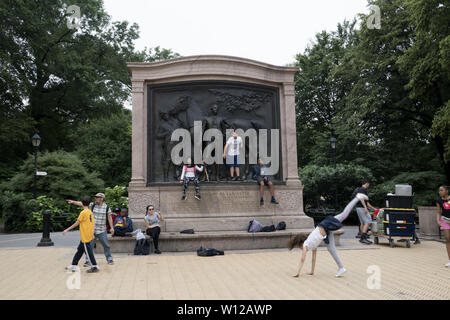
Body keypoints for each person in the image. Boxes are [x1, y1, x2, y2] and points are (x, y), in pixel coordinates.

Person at [288, 193, 369, 278]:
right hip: (327, 230)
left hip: (326, 225)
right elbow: (313, 259)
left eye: (299, 247)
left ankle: (357, 198)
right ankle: (341, 267)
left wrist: (297, 273)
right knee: (330, 248)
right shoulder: (312, 245)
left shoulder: (306, 245)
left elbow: (302, 260)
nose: (301, 249)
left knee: (344, 215)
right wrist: (312, 271)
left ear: (301, 243)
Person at [67, 192, 115, 266]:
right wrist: (73, 202)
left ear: (102, 199)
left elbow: (109, 217)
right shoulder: (92, 205)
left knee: (106, 245)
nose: (95, 198)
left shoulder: (107, 207)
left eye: (97, 197)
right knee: (89, 247)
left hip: (102, 230)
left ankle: (109, 258)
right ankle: (88, 260)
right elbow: (82, 203)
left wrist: (112, 228)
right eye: (95, 197)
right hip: (91, 231)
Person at [63, 197, 100, 273]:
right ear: (89, 204)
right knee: (79, 250)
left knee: (89, 252)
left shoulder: (83, 213)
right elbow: (93, 223)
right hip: (88, 235)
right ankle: (74, 265)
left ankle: (94, 266)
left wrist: (67, 229)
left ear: (82, 203)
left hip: (85, 236)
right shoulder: (89, 211)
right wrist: (73, 201)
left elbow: (77, 223)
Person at [352, 180, 377, 244]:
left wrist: (374, 209)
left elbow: (367, 203)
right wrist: (365, 208)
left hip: (359, 208)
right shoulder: (363, 189)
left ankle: (362, 236)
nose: (369, 186)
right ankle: (363, 238)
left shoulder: (360, 189)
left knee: (363, 223)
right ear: (367, 183)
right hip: (362, 208)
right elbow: (361, 199)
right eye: (368, 184)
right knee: (368, 221)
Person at [436, 185, 450, 267]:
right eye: (439, 190)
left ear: (446, 191)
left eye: (441, 190)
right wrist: (438, 220)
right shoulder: (439, 200)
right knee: (448, 238)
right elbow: (438, 212)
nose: (440, 192)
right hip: (445, 220)